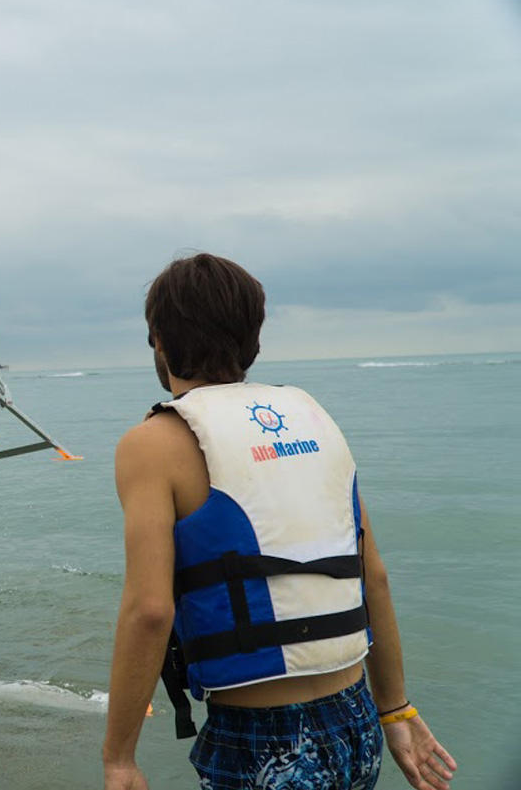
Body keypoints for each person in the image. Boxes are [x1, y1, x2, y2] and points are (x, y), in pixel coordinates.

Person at [102, 254, 457, 790]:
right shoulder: (314, 421)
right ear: (255, 339)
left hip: (259, 740)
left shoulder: (151, 445)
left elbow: (151, 611)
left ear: (158, 337)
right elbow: (372, 576)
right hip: (356, 721)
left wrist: (120, 759)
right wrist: (396, 710)